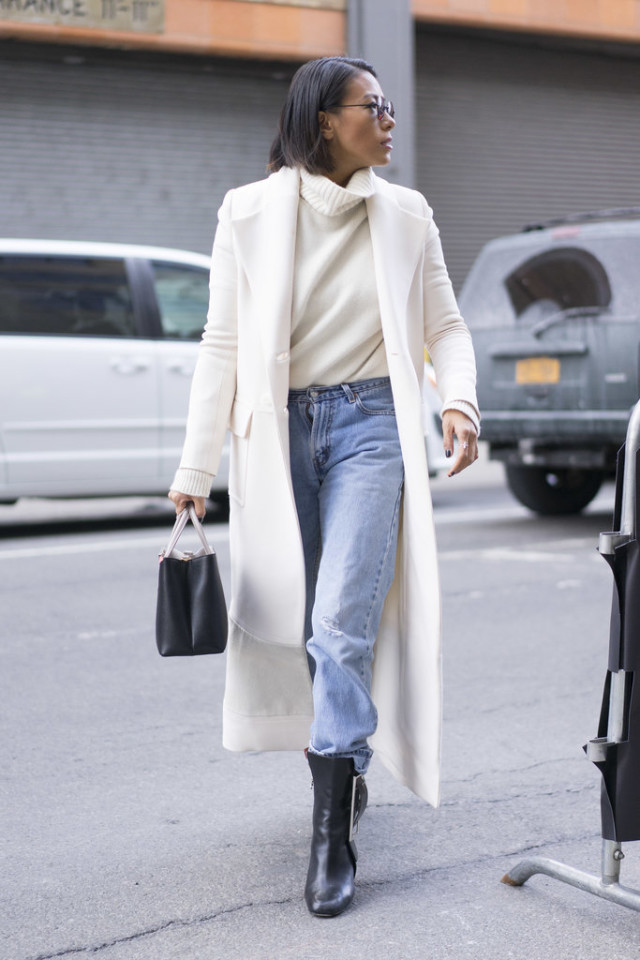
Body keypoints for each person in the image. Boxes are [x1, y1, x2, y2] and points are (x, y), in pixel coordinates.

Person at [169, 56, 479, 917]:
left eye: (387, 105)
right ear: (322, 122)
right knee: (298, 625)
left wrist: (458, 403)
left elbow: (444, 324)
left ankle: (330, 833)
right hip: (278, 433)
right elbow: (223, 343)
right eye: (371, 107)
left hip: (374, 426)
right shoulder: (250, 212)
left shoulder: (407, 213)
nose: (389, 119)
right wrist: (196, 469)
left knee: (341, 620)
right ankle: (344, 776)